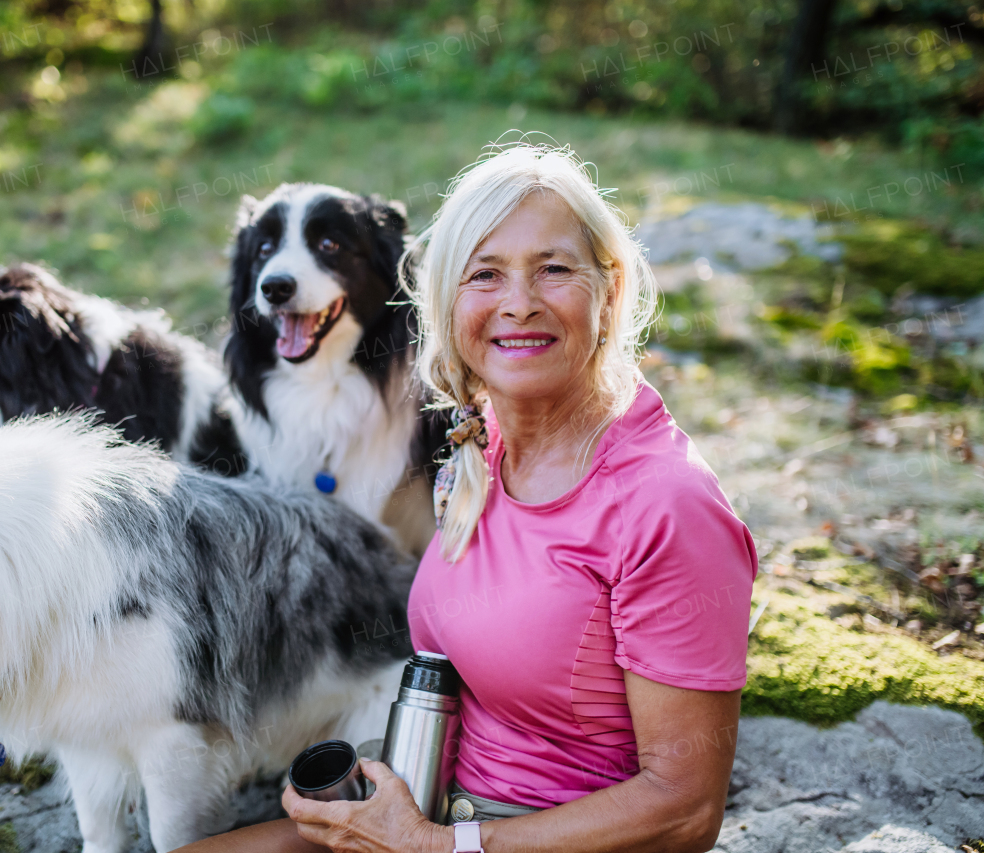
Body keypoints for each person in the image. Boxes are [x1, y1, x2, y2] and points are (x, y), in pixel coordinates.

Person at [178, 143, 757, 853]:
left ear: (608, 288)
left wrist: (440, 845)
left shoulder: (666, 503)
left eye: (554, 268)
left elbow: (685, 811)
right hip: (424, 806)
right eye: (485, 274)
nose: (519, 303)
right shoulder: (476, 448)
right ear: (444, 301)